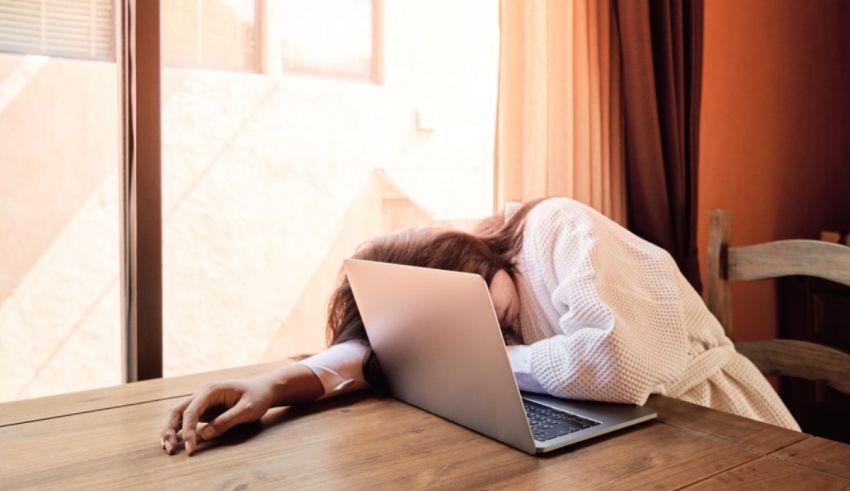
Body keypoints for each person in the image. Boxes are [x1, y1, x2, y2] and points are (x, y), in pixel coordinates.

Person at [160, 197, 799, 456]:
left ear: (461, 258)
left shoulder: (556, 230)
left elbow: (618, 363)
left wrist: (478, 361)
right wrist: (270, 387)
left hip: (727, 432)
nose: (490, 333)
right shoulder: (500, 301)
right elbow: (367, 354)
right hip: (638, 444)